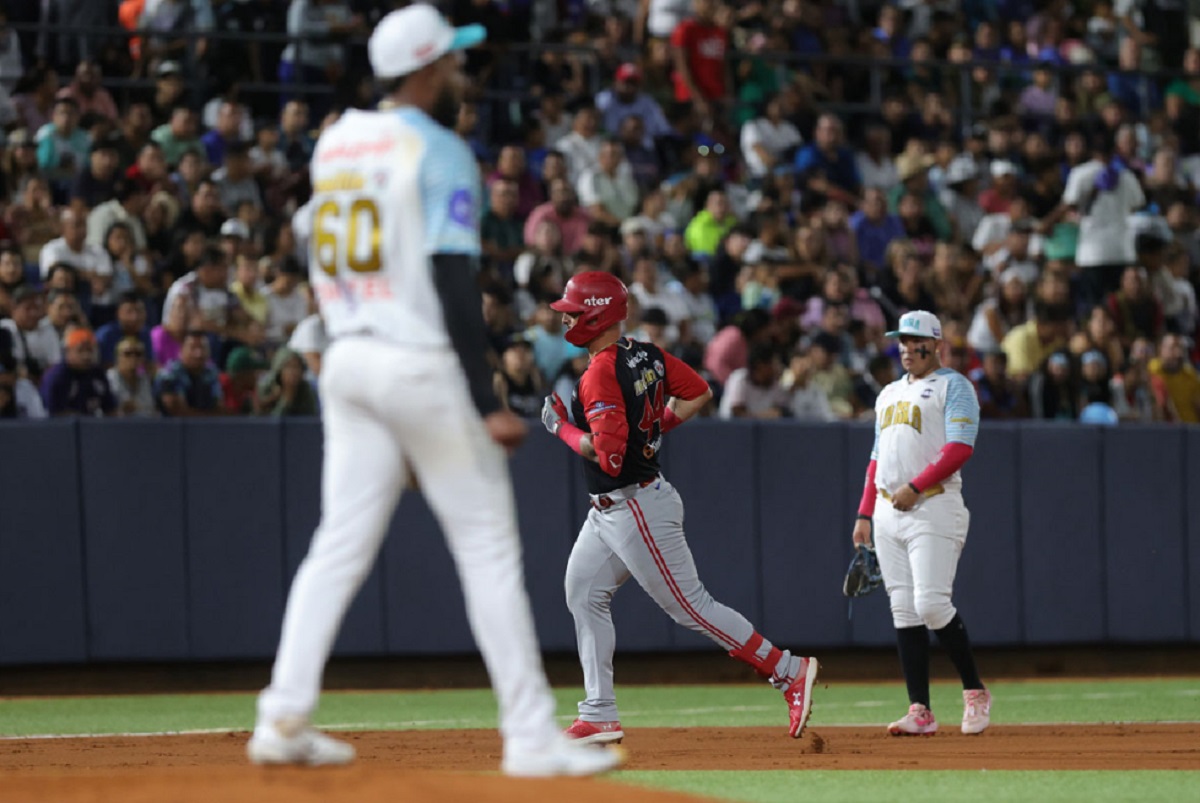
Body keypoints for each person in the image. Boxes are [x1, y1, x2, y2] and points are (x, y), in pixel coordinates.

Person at [247, 6, 622, 780]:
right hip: (415, 357)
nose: (460, 74)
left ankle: (282, 714)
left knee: (337, 545)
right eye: (450, 62)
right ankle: (529, 735)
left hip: (349, 357)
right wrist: (487, 398)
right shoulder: (440, 147)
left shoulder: (337, 140)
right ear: (423, 69)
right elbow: (454, 276)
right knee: (488, 549)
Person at [540, 271, 819, 746]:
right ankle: (599, 712)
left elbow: (606, 454)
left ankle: (788, 670)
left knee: (693, 607)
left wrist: (560, 429)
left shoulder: (601, 372)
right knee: (582, 591)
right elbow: (699, 393)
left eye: (573, 310)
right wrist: (652, 431)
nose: (567, 318)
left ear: (597, 312)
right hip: (612, 508)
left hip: (635, 506)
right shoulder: (643, 352)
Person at [850, 310, 990, 737]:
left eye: (916, 341)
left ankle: (975, 691)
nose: (907, 348)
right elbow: (876, 458)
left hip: (934, 503)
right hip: (891, 509)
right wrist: (864, 512)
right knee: (904, 610)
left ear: (936, 344)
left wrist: (917, 483)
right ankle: (921, 711)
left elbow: (960, 448)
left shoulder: (955, 386)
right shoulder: (888, 392)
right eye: (902, 341)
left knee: (931, 604)